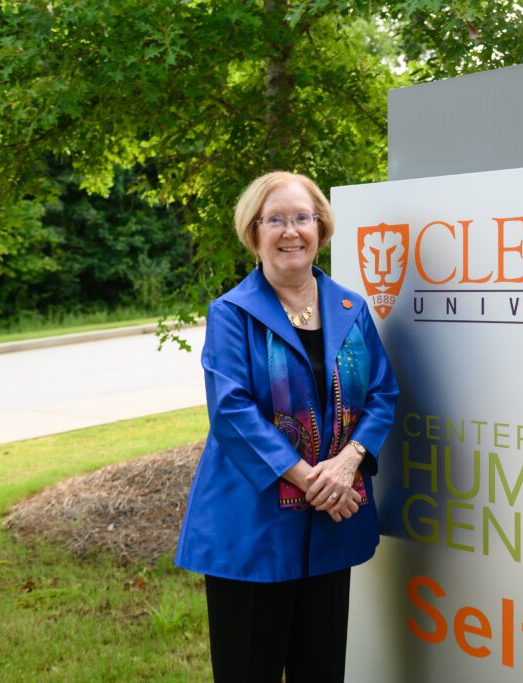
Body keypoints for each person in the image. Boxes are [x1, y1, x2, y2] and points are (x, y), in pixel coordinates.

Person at [175, 171, 399, 682]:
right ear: (253, 233)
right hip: (252, 534)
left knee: (320, 670)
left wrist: (348, 463)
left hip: (329, 529)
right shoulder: (232, 313)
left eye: (302, 217)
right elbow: (232, 412)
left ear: (321, 228)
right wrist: (315, 480)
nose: (290, 230)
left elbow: (383, 393)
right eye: (274, 219)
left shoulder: (351, 308)